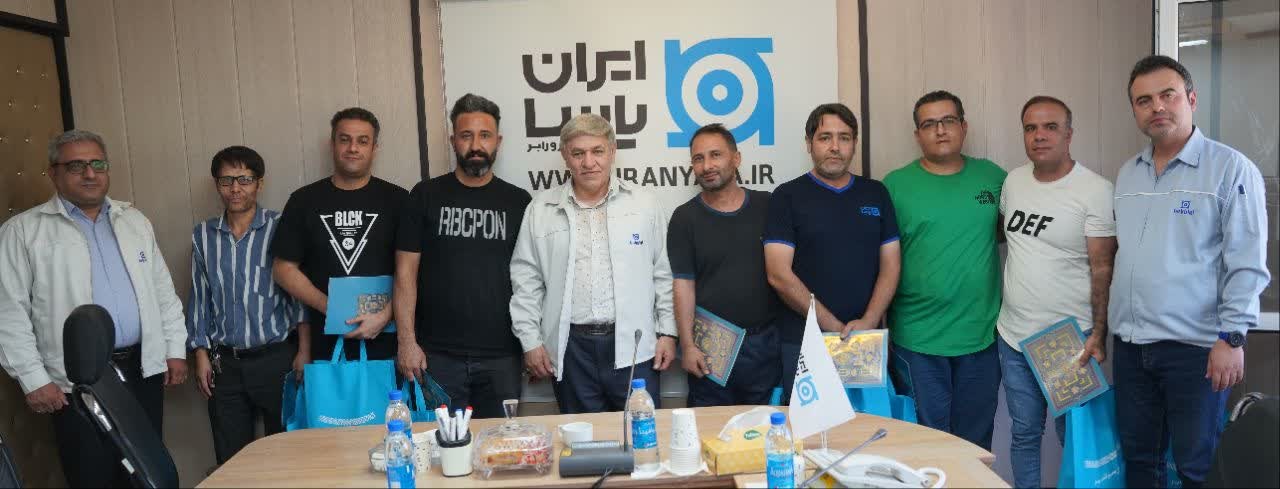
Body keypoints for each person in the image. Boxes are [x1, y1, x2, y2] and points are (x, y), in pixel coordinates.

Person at [1111, 55, 1270, 488]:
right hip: (1132, 347)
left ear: (1192, 99)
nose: (1157, 107)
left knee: (1196, 467)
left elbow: (1247, 262)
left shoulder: (1230, 168)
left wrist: (1232, 337)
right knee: (1140, 462)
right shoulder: (1128, 174)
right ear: (1135, 110)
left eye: (1168, 95)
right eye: (1144, 100)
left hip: (1196, 350)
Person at [0, 130, 188, 487]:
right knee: (92, 474)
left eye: (97, 164)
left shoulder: (134, 221)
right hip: (76, 381)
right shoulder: (23, 232)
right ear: (53, 173)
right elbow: (8, 313)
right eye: (76, 166)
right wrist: (34, 379)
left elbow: (162, 292)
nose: (90, 174)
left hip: (142, 368)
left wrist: (174, 349)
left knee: (145, 472)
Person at [509, 113, 676, 414]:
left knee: (641, 434)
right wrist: (530, 341)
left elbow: (662, 274)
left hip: (635, 346)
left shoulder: (644, 204)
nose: (589, 162)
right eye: (578, 153)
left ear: (612, 151)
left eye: (597, 151)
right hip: (571, 350)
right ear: (565, 156)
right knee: (582, 438)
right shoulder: (541, 210)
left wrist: (668, 332)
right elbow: (526, 281)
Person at [995, 96, 1117, 488]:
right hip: (1013, 336)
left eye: (1050, 127)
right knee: (1024, 434)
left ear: (1069, 134)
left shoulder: (1095, 189)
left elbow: (1103, 267)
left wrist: (1099, 333)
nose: (1039, 136)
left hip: (1067, 343)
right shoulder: (1013, 182)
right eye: (1030, 128)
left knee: (1074, 438)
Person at [882, 91, 1005, 450]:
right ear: (917, 134)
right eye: (929, 124)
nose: (940, 130)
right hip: (917, 340)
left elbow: (1009, 232)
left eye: (948, 120)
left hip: (980, 337)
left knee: (975, 445)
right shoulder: (894, 185)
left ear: (964, 126)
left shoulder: (993, 178)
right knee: (925, 444)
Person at [395, 94, 531, 418]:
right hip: (436, 355)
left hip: (503, 356)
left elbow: (532, 280)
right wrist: (407, 342)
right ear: (453, 140)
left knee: (500, 443)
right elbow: (404, 274)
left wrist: (531, 344)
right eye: (466, 135)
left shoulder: (519, 202)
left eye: (485, 136)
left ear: (498, 141)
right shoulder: (425, 195)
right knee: (439, 444)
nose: (476, 145)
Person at [764, 103, 901, 402]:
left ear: (855, 143)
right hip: (805, 341)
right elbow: (778, 274)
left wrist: (868, 321)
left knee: (868, 424)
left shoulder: (876, 193)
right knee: (809, 428)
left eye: (844, 137)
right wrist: (834, 328)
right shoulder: (787, 197)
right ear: (809, 143)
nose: (835, 147)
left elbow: (891, 266)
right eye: (825, 137)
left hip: (865, 340)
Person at [188, 145, 305, 464]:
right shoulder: (203, 235)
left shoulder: (280, 226)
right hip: (226, 364)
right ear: (217, 185)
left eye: (244, 179)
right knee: (231, 457)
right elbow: (200, 296)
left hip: (276, 358)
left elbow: (298, 294)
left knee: (286, 453)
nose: (235, 189)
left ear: (259, 183)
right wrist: (200, 353)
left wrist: (304, 351)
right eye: (226, 181)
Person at [271, 107, 408, 365]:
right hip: (325, 349)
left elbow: (412, 272)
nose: (353, 148)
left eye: (362, 141)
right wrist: (331, 307)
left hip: (388, 347)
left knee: (388, 395)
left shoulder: (399, 201)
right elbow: (282, 269)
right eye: (345, 139)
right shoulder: (303, 201)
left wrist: (387, 315)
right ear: (332, 144)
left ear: (375, 148)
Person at [669, 123, 782, 407]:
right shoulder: (684, 218)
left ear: (736, 158)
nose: (707, 165)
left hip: (764, 345)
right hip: (709, 349)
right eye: (698, 158)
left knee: (765, 426)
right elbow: (683, 285)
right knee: (710, 428)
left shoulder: (768, 206)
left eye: (715, 155)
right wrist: (688, 346)